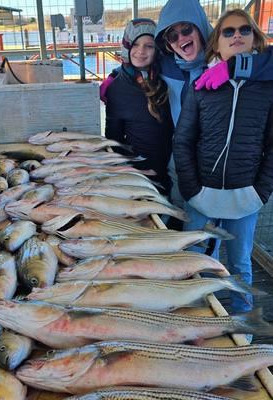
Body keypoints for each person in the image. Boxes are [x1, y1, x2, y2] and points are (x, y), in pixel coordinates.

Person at [173, 8, 273, 314]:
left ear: (255, 38)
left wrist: (261, 192)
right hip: (202, 195)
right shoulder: (202, 86)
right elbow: (183, 140)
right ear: (216, 42)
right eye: (228, 31)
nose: (237, 36)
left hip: (246, 196)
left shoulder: (268, 88)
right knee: (191, 261)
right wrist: (192, 190)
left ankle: (245, 330)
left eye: (245, 30)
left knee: (240, 264)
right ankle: (194, 320)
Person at [154, 0, 273, 224]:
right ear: (168, 44)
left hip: (235, 180)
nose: (181, 38)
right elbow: (138, 56)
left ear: (200, 28)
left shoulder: (227, 61)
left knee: (231, 248)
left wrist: (236, 66)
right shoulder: (166, 65)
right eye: (172, 36)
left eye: (187, 29)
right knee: (193, 242)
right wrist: (120, 78)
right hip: (186, 178)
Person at [101, 18, 174, 196]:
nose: (141, 51)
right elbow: (114, 136)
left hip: (173, 165)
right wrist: (123, 171)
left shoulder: (167, 79)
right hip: (140, 169)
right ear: (127, 47)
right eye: (135, 45)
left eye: (149, 46)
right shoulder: (116, 88)